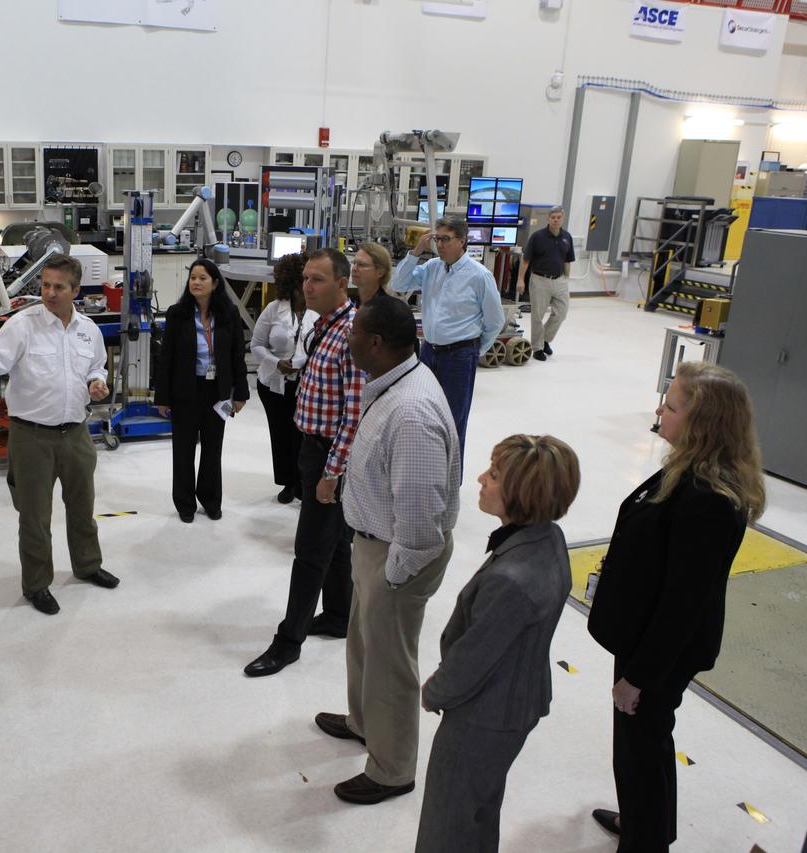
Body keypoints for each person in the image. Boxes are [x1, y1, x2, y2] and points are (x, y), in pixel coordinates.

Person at [587, 361, 765, 852]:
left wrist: (638, 677)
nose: (659, 411)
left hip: (660, 650)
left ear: (702, 424)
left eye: (671, 406)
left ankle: (645, 842)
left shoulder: (709, 500)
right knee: (642, 741)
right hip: (647, 637)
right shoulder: (690, 470)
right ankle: (647, 824)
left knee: (641, 745)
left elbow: (683, 606)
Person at [314, 296, 458, 806]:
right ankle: (362, 722)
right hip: (373, 545)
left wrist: (393, 577)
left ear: (375, 343)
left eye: (353, 333)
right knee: (363, 645)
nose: (346, 340)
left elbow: (420, 523)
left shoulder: (412, 411)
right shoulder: (393, 384)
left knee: (390, 663)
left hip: (399, 556)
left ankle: (393, 768)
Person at [416, 434, 581, 853]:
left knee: (448, 819)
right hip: (514, 700)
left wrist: (435, 691)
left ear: (522, 493)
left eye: (493, 474)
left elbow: (475, 657)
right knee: (479, 807)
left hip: (484, 714)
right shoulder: (548, 539)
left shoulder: (513, 580)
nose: (480, 479)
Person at [0, 254, 119, 615]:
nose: (49, 293)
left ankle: (88, 565)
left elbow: (98, 366)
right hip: (31, 436)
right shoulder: (23, 325)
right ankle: (36, 584)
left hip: (76, 433)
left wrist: (98, 382)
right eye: (45, 285)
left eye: (58, 287)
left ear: (76, 290)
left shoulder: (88, 330)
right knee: (34, 516)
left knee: (83, 506)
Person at [245, 248, 364, 677]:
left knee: (310, 549)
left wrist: (333, 472)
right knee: (335, 543)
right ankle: (337, 614)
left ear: (341, 283)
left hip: (329, 455)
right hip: (311, 445)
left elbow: (355, 414)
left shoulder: (351, 333)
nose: (306, 287)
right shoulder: (323, 326)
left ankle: (287, 642)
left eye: (316, 280)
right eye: (305, 279)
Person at [390, 214, 503, 467]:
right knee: (422, 414)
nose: (440, 244)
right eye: (437, 239)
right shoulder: (432, 268)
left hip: (459, 357)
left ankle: (451, 484)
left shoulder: (479, 276)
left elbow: (495, 321)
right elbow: (398, 282)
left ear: (462, 241)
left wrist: (473, 351)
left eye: (446, 239)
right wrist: (416, 250)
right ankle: (425, 471)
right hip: (429, 352)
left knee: (452, 422)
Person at [155, 258, 249, 522]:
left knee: (212, 449)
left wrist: (240, 392)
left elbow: (237, 354)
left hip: (216, 391)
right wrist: (161, 397)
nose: (196, 282)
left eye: (202, 278)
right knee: (183, 450)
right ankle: (185, 503)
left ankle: (210, 500)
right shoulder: (177, 313)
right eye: (193, 278)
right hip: (185, 391)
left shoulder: (229, 313)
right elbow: (166, 358)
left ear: (215, 283)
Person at [249, 253, 317, 504]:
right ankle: (288, 483)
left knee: (303, 437)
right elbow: (256, 345)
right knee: (281, 435)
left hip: (307, 385)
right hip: (273, 384)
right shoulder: (274, 309)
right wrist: (276, 362)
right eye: (304, 277)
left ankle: (303, 483)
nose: (308, 283)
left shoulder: (319, 311)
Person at [517, 206, 575, 361]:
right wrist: (521, 279)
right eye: (553, 217)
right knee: (538, 315)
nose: (555, 220)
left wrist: (566, 280)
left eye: (558, 217)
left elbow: (568, 261)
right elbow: (525, 260)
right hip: (540, 280)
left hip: (560, 280)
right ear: (548, 219)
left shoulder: (567, 237)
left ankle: (545, 340)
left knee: (561, 313)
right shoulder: (537, 236)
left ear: (562, 219)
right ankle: (537, 348)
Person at [349, 242, 393, 306]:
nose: (354, 269)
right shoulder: (351, 304)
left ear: (379, 272)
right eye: (354, 263)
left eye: (361, 264)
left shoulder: (391, 310)